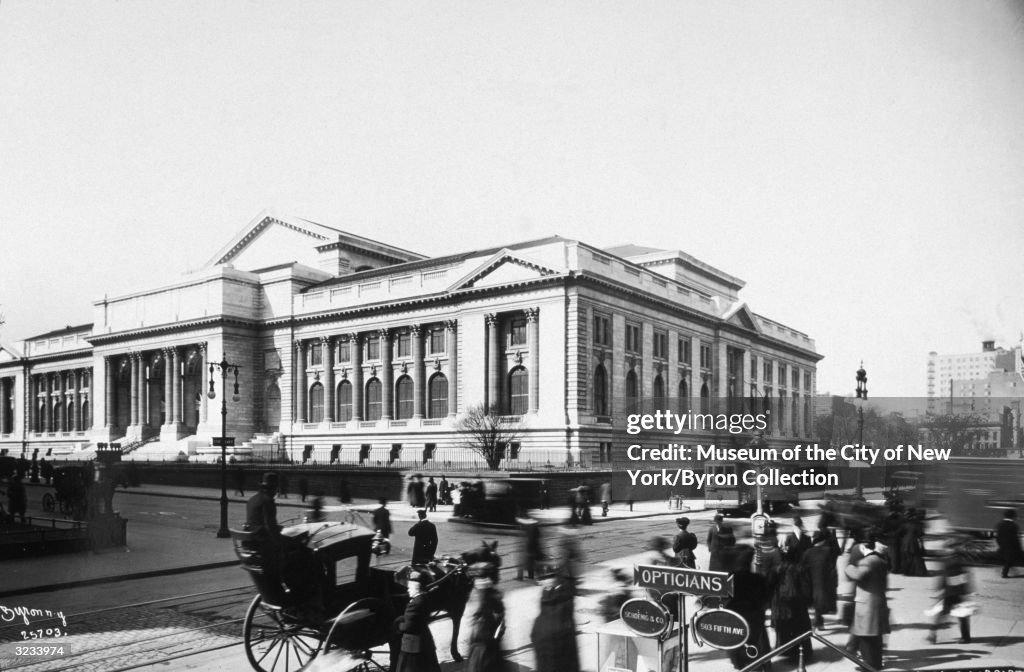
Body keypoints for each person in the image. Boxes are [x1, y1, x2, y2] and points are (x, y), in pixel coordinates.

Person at [844, 531, 890, 671]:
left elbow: (857, 575)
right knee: (876, 639)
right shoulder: (881, 560)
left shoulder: (868, 561)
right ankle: (875, 664)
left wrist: (849, 567)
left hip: (867, 605)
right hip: (877, 602)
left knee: (867, 640)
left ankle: (868, 666)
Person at [725, 546, 772, 672]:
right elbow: (766, 598)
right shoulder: (758, 579)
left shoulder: (729, 578)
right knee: (757, 642)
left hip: (736, 616)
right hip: (754, 615)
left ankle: (740, 663)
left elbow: (725, 599)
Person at [530, 566, 580, 672]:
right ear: (539, 582)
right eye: (544, 578)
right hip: (548, 651)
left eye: (551, 576)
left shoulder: (563, 597)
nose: (548, 580)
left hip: (561, 649)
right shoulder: (545, 598)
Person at [772, 544, 813, 664]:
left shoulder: (777, 568)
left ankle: (785, 650)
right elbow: (806, 588)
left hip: (780, 601)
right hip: (797, 602)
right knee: (799, 627)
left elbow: (770, 586)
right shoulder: (801, 569)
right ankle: (799, 652)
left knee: (784, 627)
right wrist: (808, 601)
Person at [393, 569, 441, 672]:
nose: (408, 590)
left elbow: (409, 627)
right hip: (425, 641)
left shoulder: (415, 603)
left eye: (410, 587)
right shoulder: (424, 598)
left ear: (417, 588)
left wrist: (398, 625)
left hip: (413, 646)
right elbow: (415, 619)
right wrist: (403, 618)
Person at [465, 563, 507, 672]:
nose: (477, 583)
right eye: (477, 580)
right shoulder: (479, 595)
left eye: (481, 579)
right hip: (477, 648)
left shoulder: (493, 599)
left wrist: (490, 642)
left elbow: (501, 625)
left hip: (487, 650)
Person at [927, 544, 973, 644]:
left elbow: (945, 577)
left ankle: (932, 635)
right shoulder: (958, 562)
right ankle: (966, 637)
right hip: (956, 592)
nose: (946, 551)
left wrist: (939, 589)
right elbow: (963, 577)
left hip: (951, 593)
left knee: (941, 614)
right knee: (961, 615)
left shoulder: (951, 563)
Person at [802, 530, 839, 630]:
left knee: (815, 601)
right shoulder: (828, 551)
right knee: (819, 601)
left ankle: (817, 622)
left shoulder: (808, 552)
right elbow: (832, 568)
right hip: (824, 580)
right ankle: (818, 622)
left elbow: (802, 567)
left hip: (810, 580)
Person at [995, 508, 1023, 578]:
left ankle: (1005, 573)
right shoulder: (1014, 526)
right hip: (1012, 547)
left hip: (1003, 546)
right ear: (1013, 516)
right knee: (1011, 560)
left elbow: (998, 537)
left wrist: (1001, 545)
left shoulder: (999, 524)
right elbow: (1015, 539)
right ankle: (1004, 573)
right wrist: (1019, 548)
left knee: (1009, 560)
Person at [516, 515, 544, 581]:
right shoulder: (535, 527)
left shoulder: (531, 528)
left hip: (531, 548)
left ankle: (524, 577)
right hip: (535, 547)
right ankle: (531, 576)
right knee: (531, 562)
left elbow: (531, 538)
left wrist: (528, 547)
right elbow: (537, 536)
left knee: (529, 562)